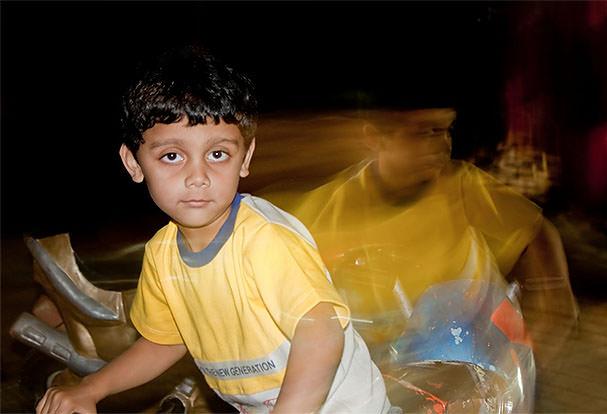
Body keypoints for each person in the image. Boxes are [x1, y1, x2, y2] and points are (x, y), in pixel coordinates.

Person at [35, 46, 391, 414]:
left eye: (217, 154)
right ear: (133, 163)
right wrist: (91, 388)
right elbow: (166, 341)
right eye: (172, 156)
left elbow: (322, 333)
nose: (198, 177)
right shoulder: (162, 253)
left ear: (245, 158)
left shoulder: (265, 240)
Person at [262, 108, 579, 368]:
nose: (442, 146)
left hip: (470, 361)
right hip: (382, 372)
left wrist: (553, 295)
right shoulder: (328, 209)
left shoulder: (463, 188)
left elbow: (536, 231)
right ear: (375, 138)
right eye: (422, 133)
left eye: (445, 130)